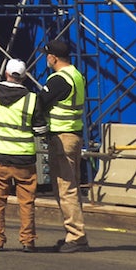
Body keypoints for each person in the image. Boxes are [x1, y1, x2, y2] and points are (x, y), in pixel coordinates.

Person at [0, 58, 42, 252]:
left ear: (6, 73)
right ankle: (28, 241)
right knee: (27, 202)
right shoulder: (32, 100)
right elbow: (40, 130)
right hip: (24, 160)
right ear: (23, 77)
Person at [39, 37, 91, 254]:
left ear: (52, 57)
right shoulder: (77, 75)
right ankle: (74, 233)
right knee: (70, 188)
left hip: (62, 138)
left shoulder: (58, 80)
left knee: (66, 189)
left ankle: (76, 236)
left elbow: (39, 103)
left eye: (47, 57)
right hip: (74, 135)